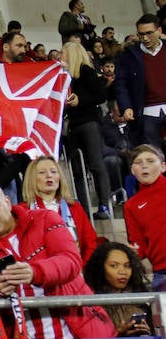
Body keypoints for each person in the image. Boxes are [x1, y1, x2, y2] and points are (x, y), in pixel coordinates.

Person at [0, 180, 115, 339]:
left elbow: (71, 261)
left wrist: (35, 272)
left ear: (7, 202)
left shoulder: (46, 219)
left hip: (78, 333)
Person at [60, 39, 112, 219]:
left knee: (96, 164)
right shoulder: (63, 77)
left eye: (63, 53)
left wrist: (79, 100)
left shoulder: (86, 71)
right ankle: (84, 209)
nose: (61, 56)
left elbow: (100, 96)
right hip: (72, 125)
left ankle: (104, 204)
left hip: (88, 121)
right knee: (77, 170)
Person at [20, 156, 100, 265]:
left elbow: (90, 243)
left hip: (76, 274)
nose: (49, 175)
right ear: (31, 178)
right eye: (42, 172)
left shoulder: (74, 207)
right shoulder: (23, 211)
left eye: (53, 171)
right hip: (40, 275)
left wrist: (84, 269)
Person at [113, 14, 166, 149]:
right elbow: (121, 85)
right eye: (141, 34)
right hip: (146, 113)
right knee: (152, 154)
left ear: (159, 31)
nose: (145, 38)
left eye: (149, 33)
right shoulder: (128, 55)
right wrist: (126, 107)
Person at [83, 242, 151, 337]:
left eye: (127, 266)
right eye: (114, 266)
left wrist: (149, 334)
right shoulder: (89, 305)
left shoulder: (141, 302)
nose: (122, 272)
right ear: (100, 268)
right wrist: (118, 336)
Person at [123, 144, 166, 290]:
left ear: (163, 167)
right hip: (162, 274)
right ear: (132, 171)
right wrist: (125, 252)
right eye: (138, 163)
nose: (144, 166)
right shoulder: (131, 205)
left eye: (150, 161)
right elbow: (138, 244)